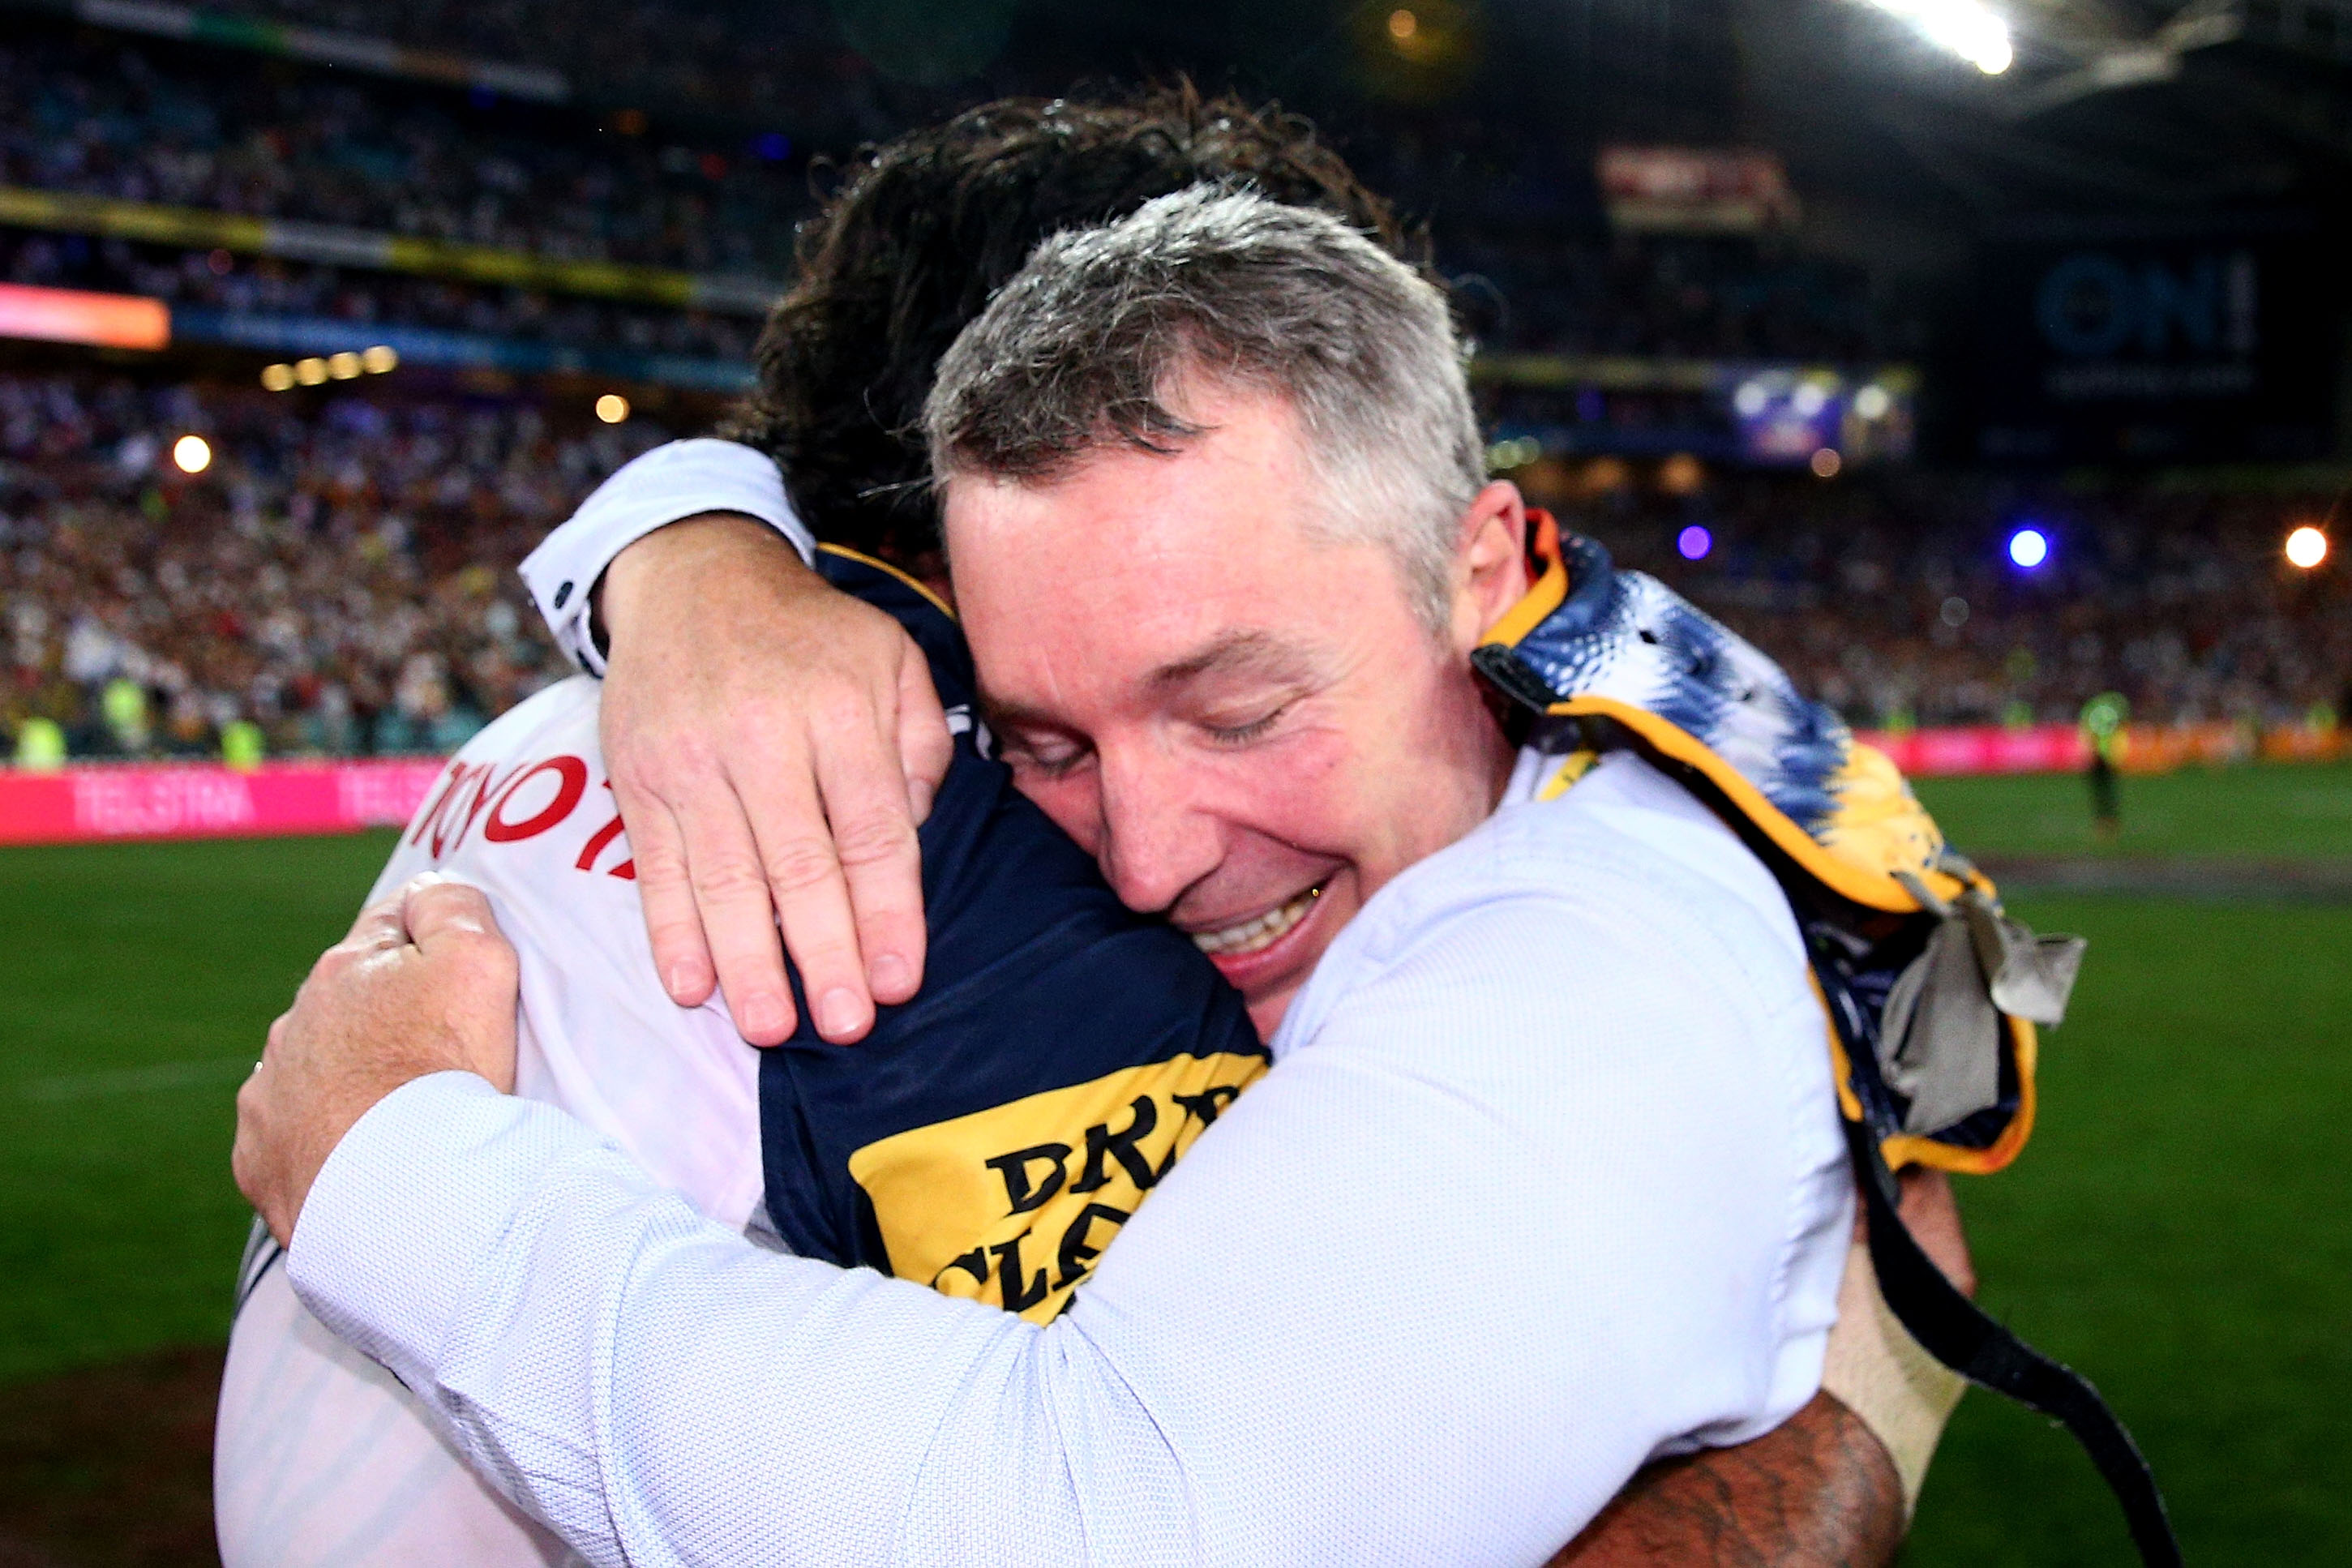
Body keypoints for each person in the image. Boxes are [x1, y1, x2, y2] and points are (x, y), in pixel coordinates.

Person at [237, 186, 1870, 1565]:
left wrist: (396, 1167)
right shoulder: (1462, 813)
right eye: (1046, 745)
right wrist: (690, 532)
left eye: (1235, 709)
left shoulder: (1593, 958)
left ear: (1484, 573)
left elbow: (1112, 1523)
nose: (1147, 856)